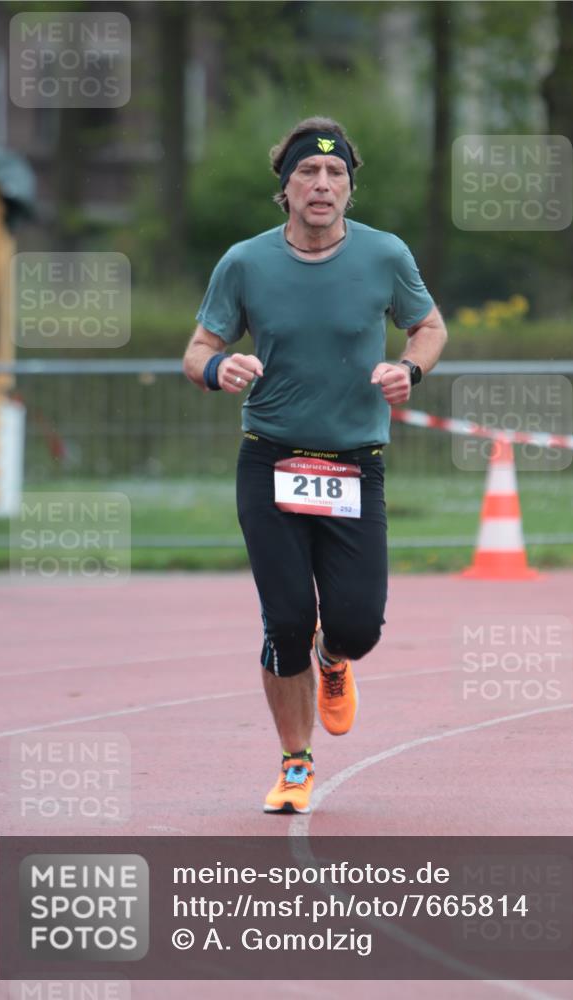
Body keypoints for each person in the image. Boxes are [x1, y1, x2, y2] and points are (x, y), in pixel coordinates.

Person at [183, 116, 447, 815]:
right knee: (286, 619)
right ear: (286, 187)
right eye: (308, 172)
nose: (322, 184)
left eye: (335, 175)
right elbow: (196, 348)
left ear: (350, 191)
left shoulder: (384, 255)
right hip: (270, 459)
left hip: (354, 465)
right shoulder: (244, 262)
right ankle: (295, 763)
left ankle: (335, 661)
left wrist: (408, 369)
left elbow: (429, 326)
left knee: (357, 626)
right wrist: (219, 365)